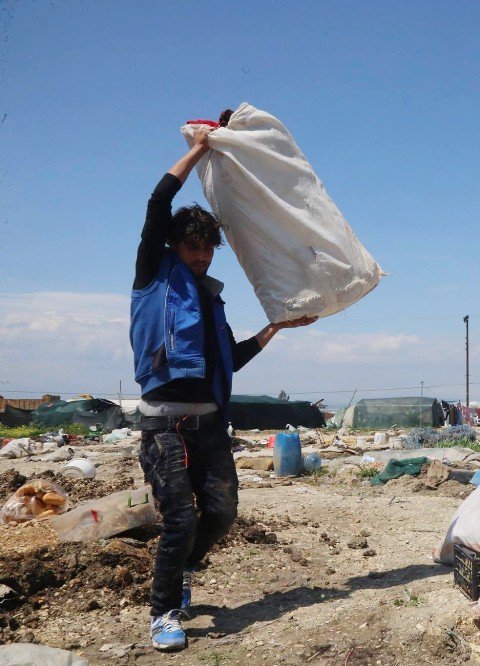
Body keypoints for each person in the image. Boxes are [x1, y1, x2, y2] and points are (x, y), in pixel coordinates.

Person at [131, 126, 316, 651]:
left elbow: (232, 358)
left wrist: (276, 327)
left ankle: (186, 567)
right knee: (180, 517)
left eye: (209, 249)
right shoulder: (153, 276)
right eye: (193, 247)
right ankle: (165, 612)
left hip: (211, 422)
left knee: (223, 512)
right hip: (164, 421)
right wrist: (200, 150)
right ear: (175, 244)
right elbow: (158, 201)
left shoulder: (211, 302)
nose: (202, 257)